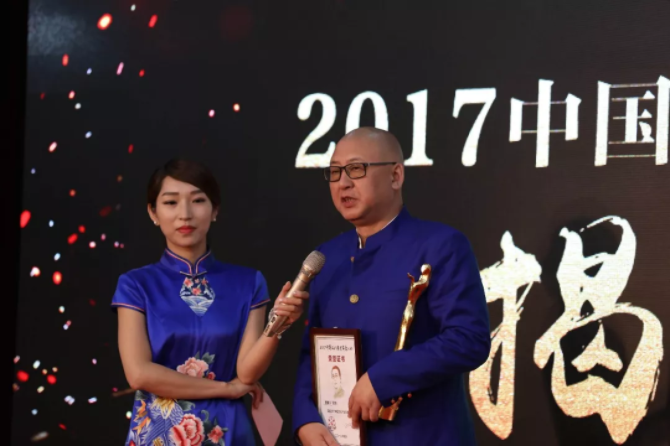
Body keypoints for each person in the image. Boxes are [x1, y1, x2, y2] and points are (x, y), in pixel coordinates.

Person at [292, 128, 491, 446]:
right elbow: (311, 353)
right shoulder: (327, 257)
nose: (343, 182)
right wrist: (305, 417)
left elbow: (469, 339)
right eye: (335, 172)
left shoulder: (441, 245)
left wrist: (383, 378)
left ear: (396, 176)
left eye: (356, 168)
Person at [112, 159, 308, 446]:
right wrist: (226, 388)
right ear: (153, 212)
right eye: (171, 202)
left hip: (228, 430)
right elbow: (138, 374)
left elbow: (247, 372)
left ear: (215, 209)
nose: (185, 214)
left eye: (198, 200)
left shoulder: (248, 282)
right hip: (158, 433)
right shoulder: (135, 285)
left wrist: (278, 324)